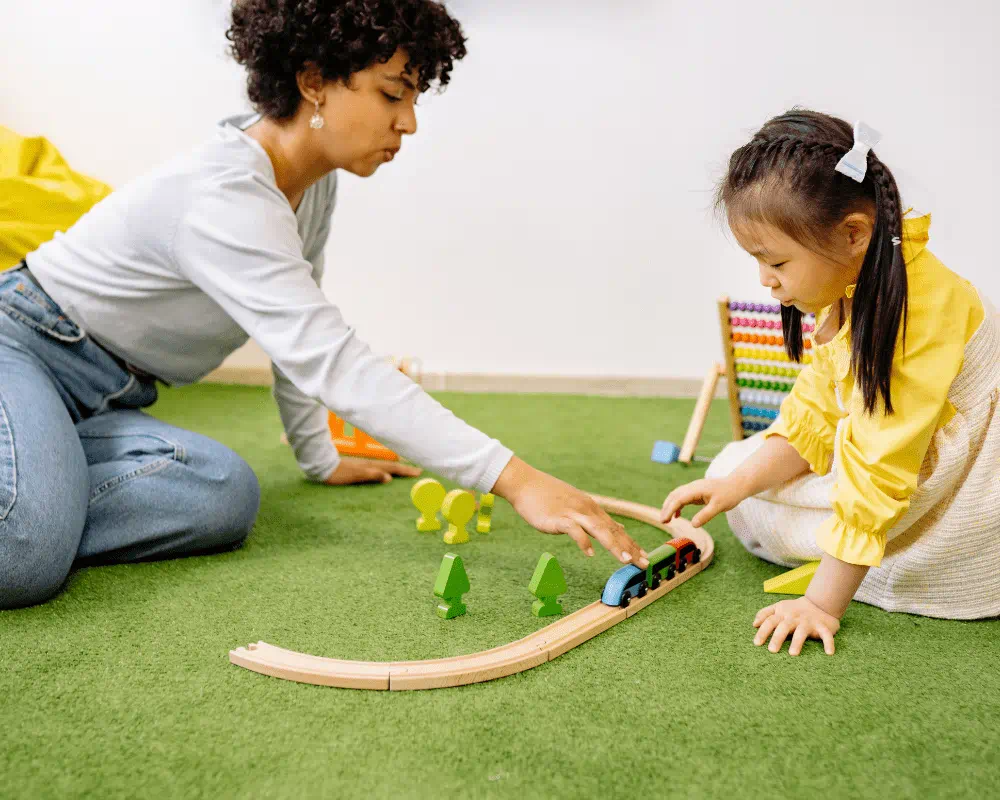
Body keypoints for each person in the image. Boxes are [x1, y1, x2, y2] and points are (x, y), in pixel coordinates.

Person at [0, 0, 648, 610]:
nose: (409, 122)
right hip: (22, 346)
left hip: (103, 398)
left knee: (224, 494)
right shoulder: (224, 196)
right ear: (314, 80)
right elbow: (331, 362)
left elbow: (297, 333)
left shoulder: (312, 184)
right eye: (393, 93)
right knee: (26, 554)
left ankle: (35, 486)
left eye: (415, 97)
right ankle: (32, 510)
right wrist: (514, 478)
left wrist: (320, 457)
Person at [661, 109, 1000, 655]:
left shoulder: (912, 314)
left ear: (853, 234)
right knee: (733, 473)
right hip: (894, 459)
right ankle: (799, 521)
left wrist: (820, 604)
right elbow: (816, 409)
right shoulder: (851, 284)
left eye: (774, 261)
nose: (765, 280)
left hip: (963, 493)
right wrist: (736, 485)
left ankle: (878, 565)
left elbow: (881, 473)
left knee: (776, 510)